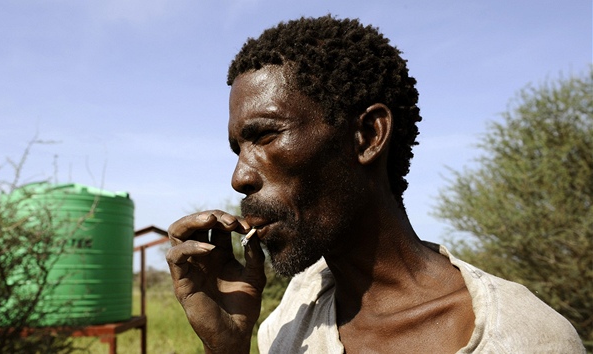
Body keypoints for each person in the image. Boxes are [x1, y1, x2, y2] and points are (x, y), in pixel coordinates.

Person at [166, 15, 584, 353]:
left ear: (367, 136)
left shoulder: (529, 338)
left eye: (266, 136)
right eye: (237, 148)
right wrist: (227, 349)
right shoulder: (290, 319)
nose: (240, 177)